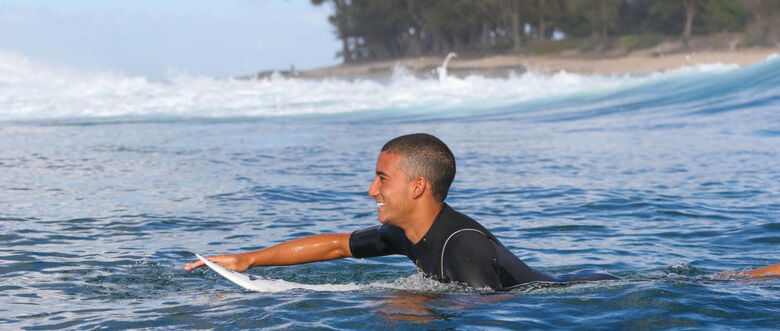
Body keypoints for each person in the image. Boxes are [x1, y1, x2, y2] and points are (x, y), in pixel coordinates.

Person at [185, 133, 779, 289]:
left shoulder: (459, 244)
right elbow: (335, 244)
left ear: (417, 187)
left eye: (381, 178)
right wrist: (249, 258)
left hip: (570, 293)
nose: (371, 190)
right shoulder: (406, 234)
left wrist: (415, 305)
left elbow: (492, 310)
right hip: (553, 287)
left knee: (717, 281)